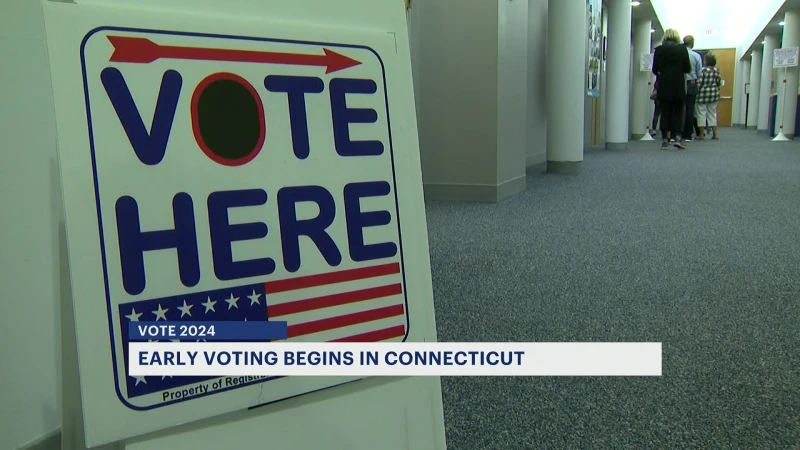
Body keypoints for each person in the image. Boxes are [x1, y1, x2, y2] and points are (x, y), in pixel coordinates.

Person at [652, 29, 692, 149]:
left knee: (665, 113)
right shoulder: (682, 49)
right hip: (678, 86)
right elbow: (687, 68)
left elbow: (654, 69)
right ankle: (678, 138)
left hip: (664, 85)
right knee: (678, 113)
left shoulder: (659, 50)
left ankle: (665, 140)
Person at [696, 53, 722, 139]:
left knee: (701, 114)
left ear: (705, 62)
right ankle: (715, 134)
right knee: (713, 113)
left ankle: (701, 134)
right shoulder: (717, 71)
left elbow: (699, 83)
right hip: (714, 95)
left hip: (702, 95)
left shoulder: (703, 70)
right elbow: (719, 83)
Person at [682, 36, 703, 141]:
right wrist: (695, 78)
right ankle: (688, 135)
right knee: (690, 110)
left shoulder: (679, 54)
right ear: (692, 43)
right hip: (692, 83)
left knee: (679, 109)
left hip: (680, 83)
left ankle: (677, 133)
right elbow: (699, 72)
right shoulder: (696, 56)